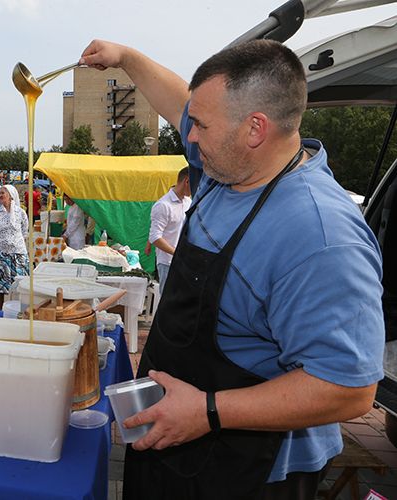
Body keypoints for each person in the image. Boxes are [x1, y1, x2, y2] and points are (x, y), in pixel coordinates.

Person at [79, 39, 384, 499]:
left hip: (246, 471)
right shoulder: (228, 165)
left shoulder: (320, 236)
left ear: (254, 129)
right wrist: (126, 57)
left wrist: (208, 411)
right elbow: (180, 101)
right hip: (175, 441)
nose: (189, 136)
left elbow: (348, 387)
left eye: (200, 125)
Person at [149, 166, 191, 294]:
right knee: (167, 302)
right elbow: (155, 237)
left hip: (183, 260)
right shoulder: (163, 205)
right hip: (168, 262)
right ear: (187, 181)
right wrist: (177, 252)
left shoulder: (188, 202)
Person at [0, 184, 29, 310]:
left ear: (11, 196)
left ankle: (20, 310)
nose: (0, 195)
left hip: (18, 253)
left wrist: (14, 241)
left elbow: (24, 230)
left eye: (3, 193)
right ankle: (0, 310)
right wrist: (2, 242)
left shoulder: (20, 212)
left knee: (21, 285)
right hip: (0, 253)